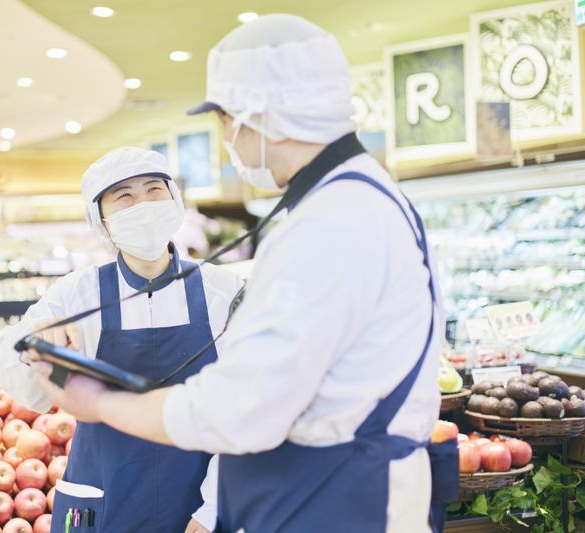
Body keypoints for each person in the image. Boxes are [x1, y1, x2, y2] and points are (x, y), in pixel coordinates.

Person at [24, 14, 455, 533]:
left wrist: (100, 402)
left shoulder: (329, 223)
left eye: (226, 119)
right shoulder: (366, 198)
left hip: (341, 502)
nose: (228, 136)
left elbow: (240, 409)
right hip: (348, 491)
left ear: (260, 116)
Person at [0, 147, 243, 533]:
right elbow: (11, 369)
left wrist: (214, 507)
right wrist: (35, 344)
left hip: (195, 504)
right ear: (103, 222)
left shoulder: (222, 290)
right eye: (124, 196)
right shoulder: (78, 293)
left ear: (174, 201)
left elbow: (248, 405)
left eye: (154, 189)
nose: (143, 204)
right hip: (100, 499)